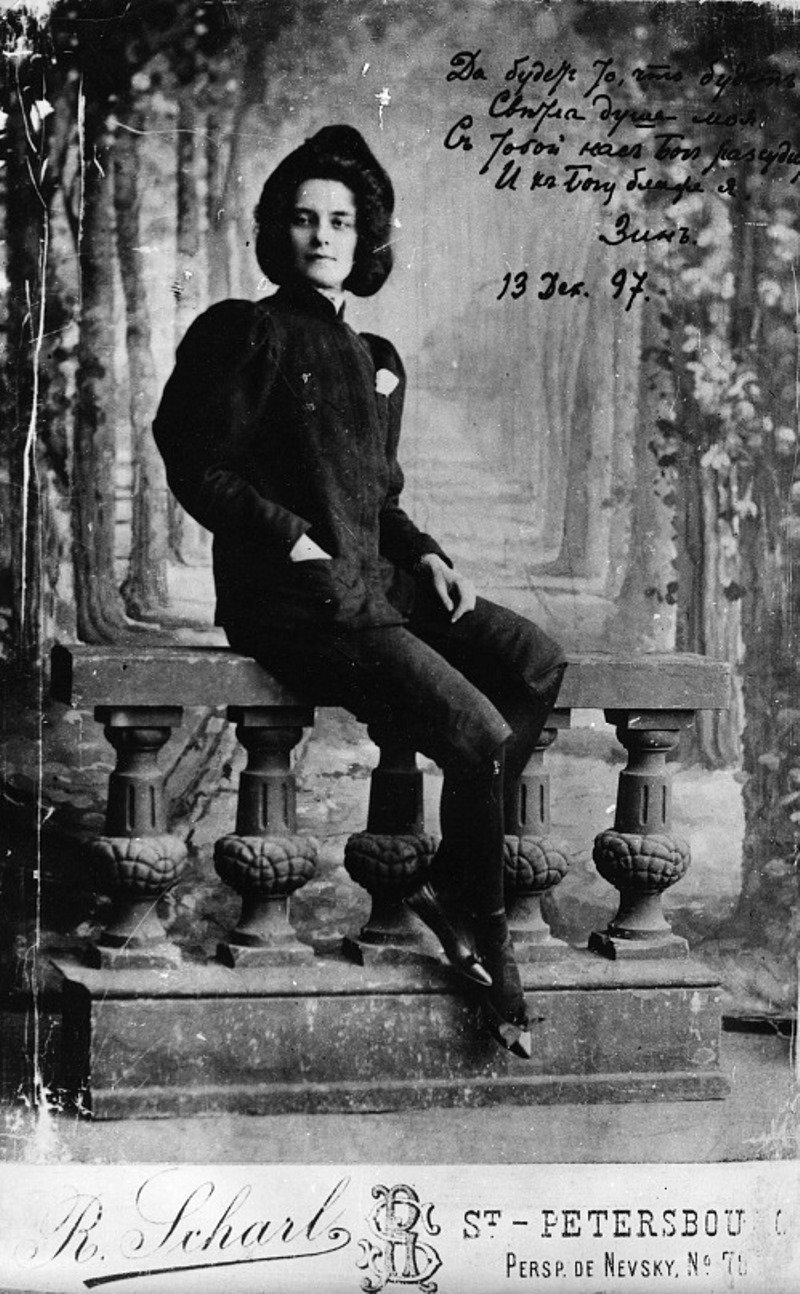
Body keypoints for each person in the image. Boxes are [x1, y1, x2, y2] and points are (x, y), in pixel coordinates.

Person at [153, 125, 565, 1059]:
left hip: (374, 581)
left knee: (535, 661)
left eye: (341, 221)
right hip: (294, 600)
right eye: (304, 219)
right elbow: (194, 460)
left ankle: (455, 881)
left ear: (365, 236)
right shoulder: (245, 331)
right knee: (478, 735)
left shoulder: (377, 353)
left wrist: (427, 554)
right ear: (279, 232)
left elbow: (378, 498)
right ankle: (487, 943)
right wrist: (287, 537)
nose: (322, 236)